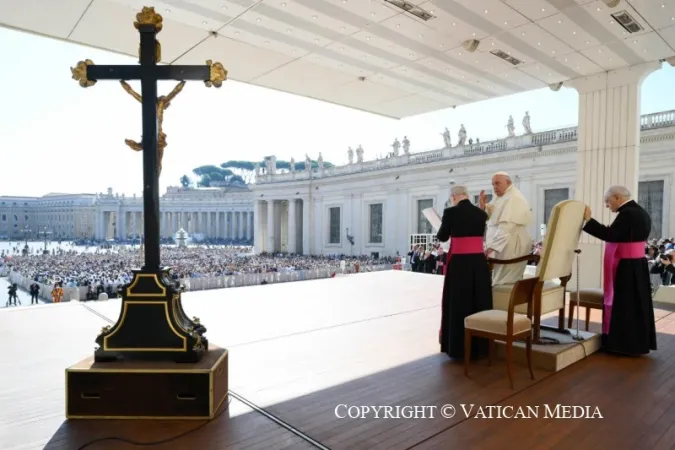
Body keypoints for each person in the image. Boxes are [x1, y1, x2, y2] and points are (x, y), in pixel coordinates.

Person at [582, 185, 657, 355]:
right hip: (636, 265)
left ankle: (624, 345)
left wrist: (588, 220)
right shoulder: (639, 211)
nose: (607, 205)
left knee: (624, 305)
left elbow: (610, 234)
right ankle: (635, 343)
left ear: (617, 197)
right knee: (635, 305)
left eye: (607, 201)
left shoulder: (628, 213)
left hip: (627, 267)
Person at [436, 185, 492, 359]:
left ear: (453, 197)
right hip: (479, 263)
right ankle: (480, 347)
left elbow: (442, 236)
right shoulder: (482, 214)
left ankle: (459, 348)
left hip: (460, 264)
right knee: (478, 301)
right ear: (467, 195)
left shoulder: (450, 213)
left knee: (459, 303)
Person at [479, 172, 533, 285]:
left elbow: (506, 227)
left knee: (505, 279)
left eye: (497, 183)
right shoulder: (501, 197)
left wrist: (491, 247)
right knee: (499, 277)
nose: (494, 187)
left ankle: (505, 300)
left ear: (508, 183)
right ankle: (501, 299)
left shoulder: (513, 198)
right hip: (504, 245)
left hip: (513, 244)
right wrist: (483, 206)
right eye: (493, 184)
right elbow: (492, 216)